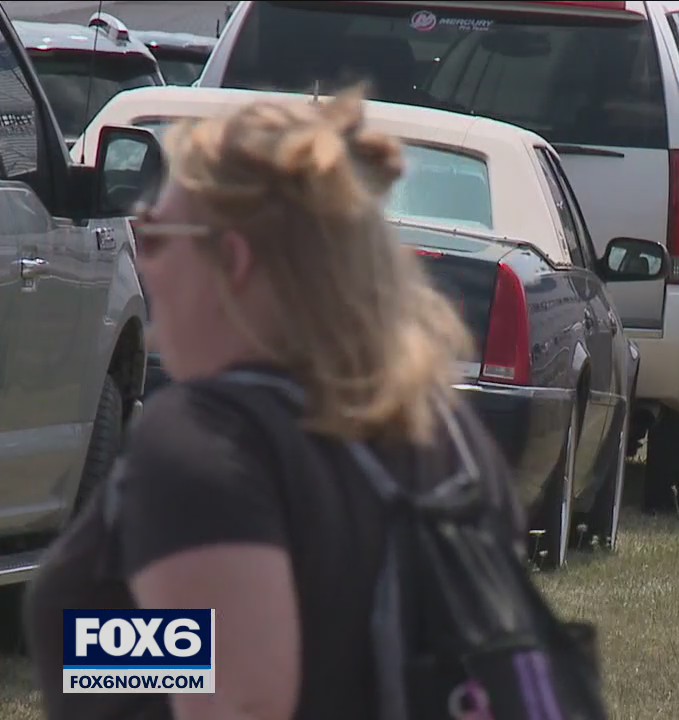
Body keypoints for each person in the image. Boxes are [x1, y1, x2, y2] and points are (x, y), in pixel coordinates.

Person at [23, 87, 526, 720]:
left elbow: (244, 701)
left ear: (231, 261)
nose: (143, 263)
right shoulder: (448, 435)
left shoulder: (203, 444)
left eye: (155, 236)